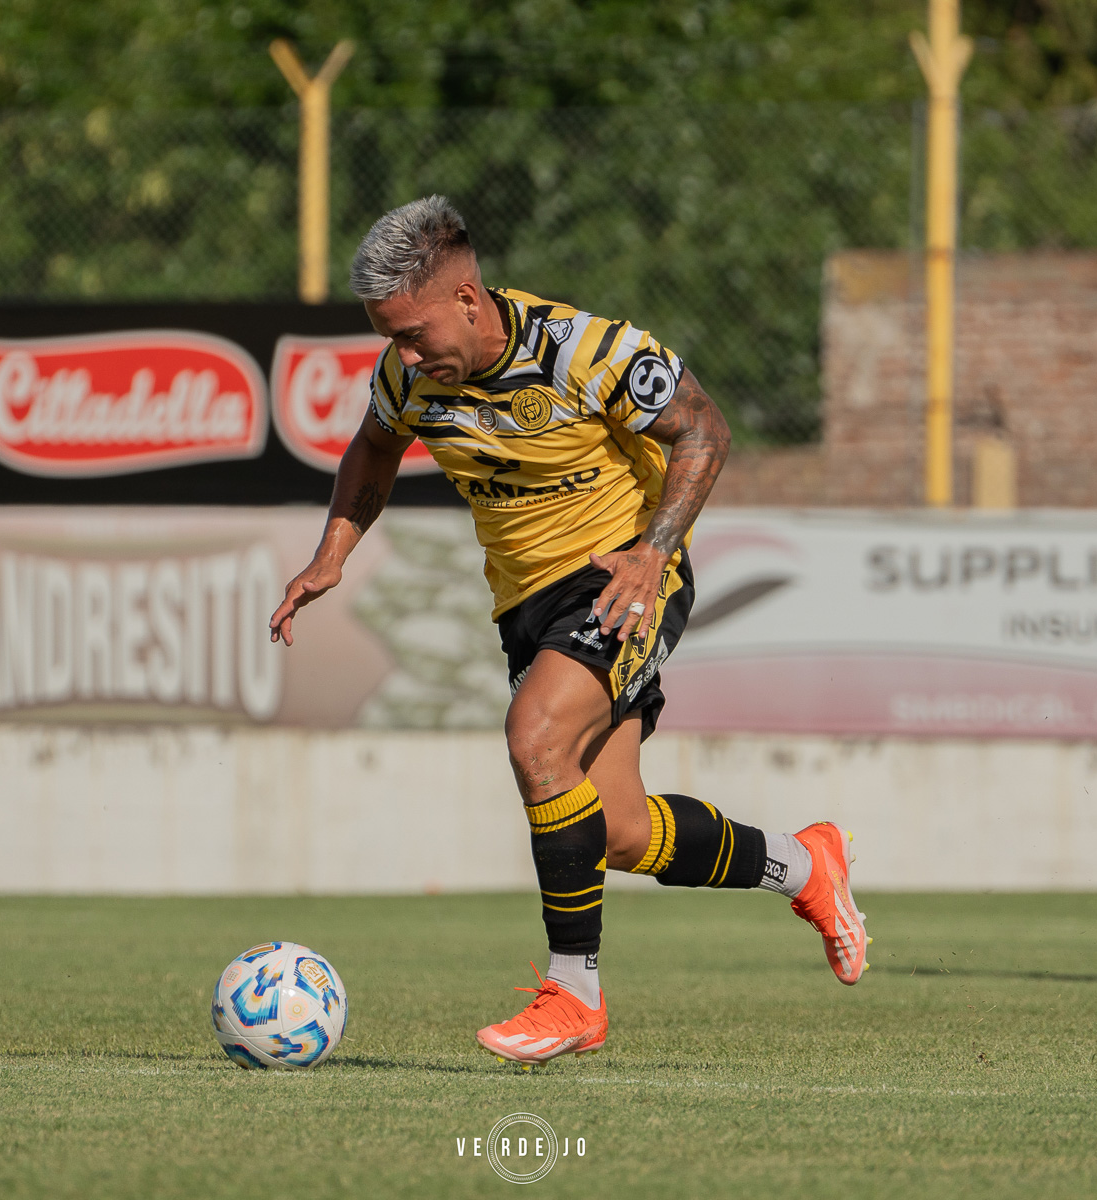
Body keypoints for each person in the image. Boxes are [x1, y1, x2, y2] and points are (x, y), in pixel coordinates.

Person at [269, 196, 869, 1065]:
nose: (401, 356)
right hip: (527, 609)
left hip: (621, 579)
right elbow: (372, 447)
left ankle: (573, 997)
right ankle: (808, 866)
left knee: (536, 736)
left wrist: (652, 552)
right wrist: (332, 554)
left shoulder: (585, 351)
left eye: (412, 333)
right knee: (618, 830)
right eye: (388, 337)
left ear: (468, 300)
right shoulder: (409, 379)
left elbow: (704, 429)